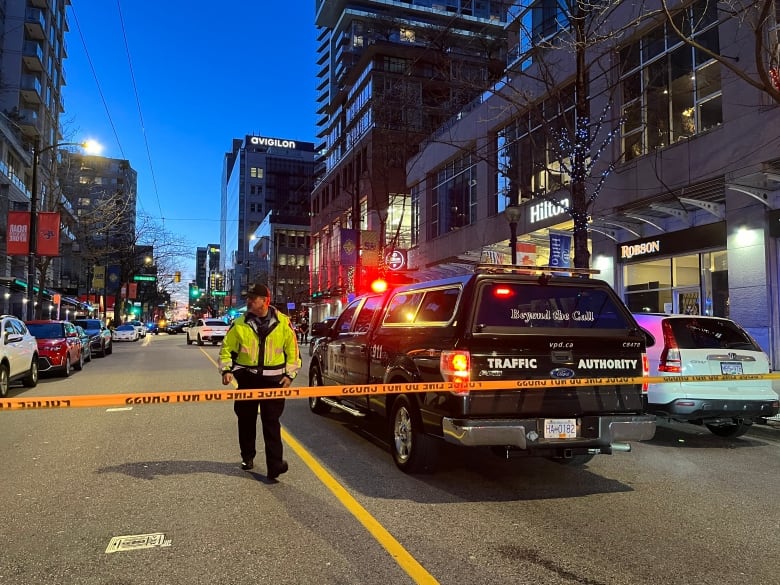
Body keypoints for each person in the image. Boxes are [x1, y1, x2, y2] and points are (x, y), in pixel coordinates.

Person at [219, 282, 301, 480]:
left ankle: (275, 465)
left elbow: (293, 352)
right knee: (246, 420)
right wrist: (226, 370)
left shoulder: (283, 323)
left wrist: (289, 376)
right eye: (248, 297)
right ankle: (247, 457)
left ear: (265, 301)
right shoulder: (239, 323)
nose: (248, 301)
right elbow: (226, 350)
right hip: (247, 379)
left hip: (274, 381)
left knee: (271, 422)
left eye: (252, 298)